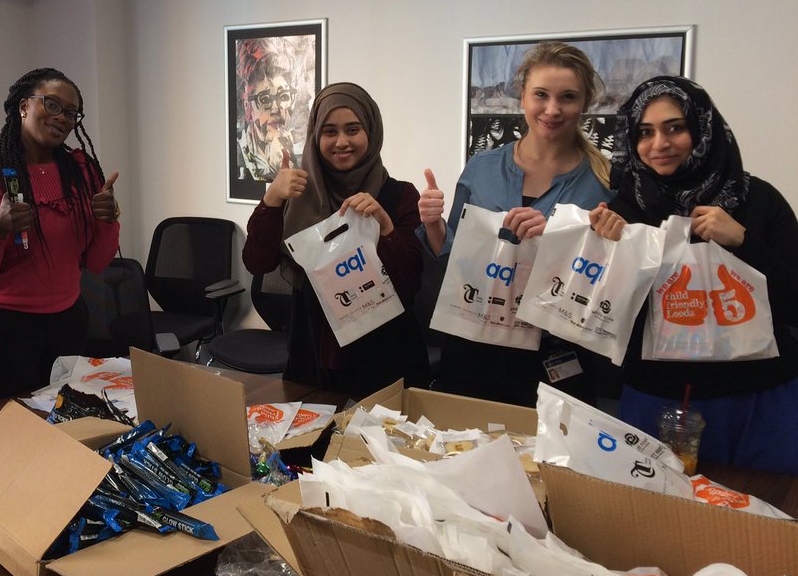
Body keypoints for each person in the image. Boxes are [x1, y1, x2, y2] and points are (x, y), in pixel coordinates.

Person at [589, 77, 798, 473]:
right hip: (656, 399)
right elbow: (603, 321)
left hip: (760, 401)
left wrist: (743, 242)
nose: (659, 144)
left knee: (767, 508)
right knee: (653, 510)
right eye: (645, 132)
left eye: (675, 128)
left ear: (703, 129)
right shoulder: (623, 212)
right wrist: (611, 254)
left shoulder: (757, 200)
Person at [418, 42, 613, 407]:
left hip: (555, 359)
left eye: (568, 97)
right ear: (522, 96)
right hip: (473, 349)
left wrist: (554, 239)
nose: (552, 110)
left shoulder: (605, 183)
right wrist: (433, 225)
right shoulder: (482, 168)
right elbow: (456, 257)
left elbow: (609, 283)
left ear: (585, 102)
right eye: (541, 95)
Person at [242, 82, 428, 399]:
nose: (341, 142)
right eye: (330, 131)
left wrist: (385, 227)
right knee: (313, 431)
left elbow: (410, 284)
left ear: (371, 131)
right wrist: (272, 198)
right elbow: (257, 262)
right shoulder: (298, 193)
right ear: (316, 136)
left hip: (385, 356)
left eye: (352, 129)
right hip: (311, 354)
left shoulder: (400, 196)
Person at [0, 67, 120, 404]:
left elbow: (96, 263)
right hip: (4, 331)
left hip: (67, 323)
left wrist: (108, 221)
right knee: (8, 426)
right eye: (52, 104)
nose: (62, 118)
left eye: (71, 113)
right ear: (23, 106)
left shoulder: (82, 172)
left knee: (60, 421)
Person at [236, 38, 303, 181]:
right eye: (265, 99)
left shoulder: (301, 154)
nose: (276, 108)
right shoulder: (239, 156)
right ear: (248, 107)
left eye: (283, 97)